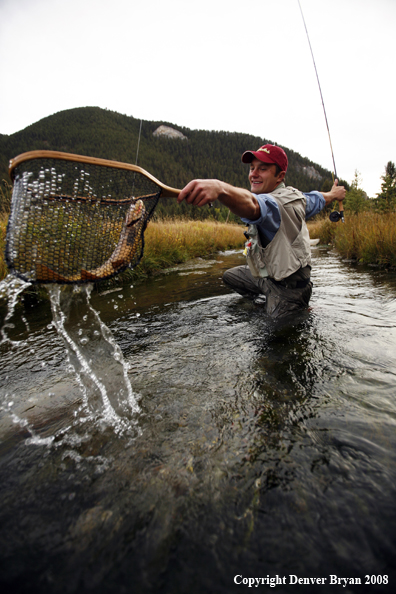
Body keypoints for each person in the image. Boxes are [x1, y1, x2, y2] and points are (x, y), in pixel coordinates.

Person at [177, 144, 346, 318]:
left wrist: (220, 189)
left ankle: (298, 310)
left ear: (280, 176)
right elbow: (316, 199)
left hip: (289, 292)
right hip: (269, 279)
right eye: (252, 168)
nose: (253, 174)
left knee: (274, 337)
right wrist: (333, 194)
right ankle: (264, 301)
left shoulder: (275, 203)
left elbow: (254, 205)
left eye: (263, 169)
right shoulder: (297, 197)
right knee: (230, 276)